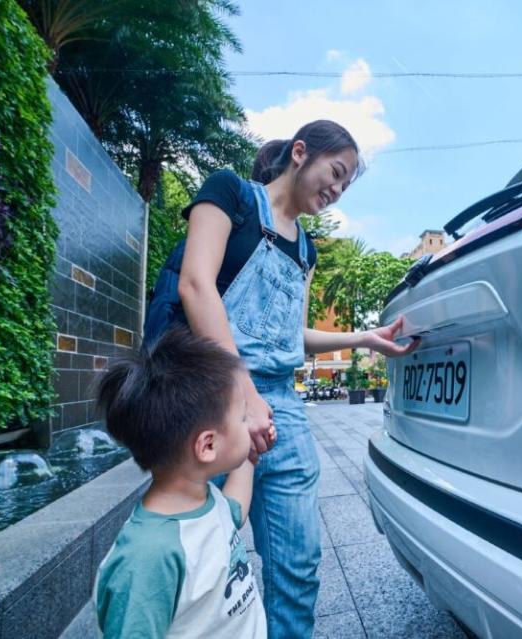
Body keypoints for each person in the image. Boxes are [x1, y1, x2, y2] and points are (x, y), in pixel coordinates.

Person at [142, 119, 416, 637]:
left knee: (297, 564)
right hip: (206, 399)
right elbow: (196, 285)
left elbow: (291, 336)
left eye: (345, 185)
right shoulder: (230, 194)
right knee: (198, 556)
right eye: (335, 173)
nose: (336, 190)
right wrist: (243, 393)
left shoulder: (306, 250)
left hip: (280, 409)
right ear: (299, 153)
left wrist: (362, 339)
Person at [94, 327, 268, 639]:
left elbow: (235, 512)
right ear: (207, 446)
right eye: (243, 419)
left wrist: (250, 457)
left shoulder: (203, 499)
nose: (249, 424)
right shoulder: (148, 558)